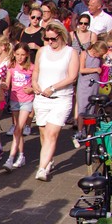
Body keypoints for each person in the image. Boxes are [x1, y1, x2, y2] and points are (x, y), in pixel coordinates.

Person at [31, 21, 79, 181]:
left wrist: (53, 87)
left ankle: (42, 168)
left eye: (53, 39)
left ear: (61, 36)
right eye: (47, 39)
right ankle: (48, 159)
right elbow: (36, 70)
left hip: (61, 98)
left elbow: (72, 77)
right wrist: (34, 83)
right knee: (44, 134)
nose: (50, 42)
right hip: (41, 99)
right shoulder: (42, 51)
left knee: (52, 134)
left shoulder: (71, 53)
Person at [2, 44, 35, 172]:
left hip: (27, 101)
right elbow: (7, 84)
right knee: (18, 130)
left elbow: (37, 83)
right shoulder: (11, 67)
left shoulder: (32, 68)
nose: (20, 57)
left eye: (22, 55)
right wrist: (0, 84)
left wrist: (32, 89)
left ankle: (10, 159)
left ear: (27, 55)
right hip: (15, 100)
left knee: (18, 128)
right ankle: (21, 156)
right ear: (14, 54)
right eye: (17, 54)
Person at [76, 41, 107, 133]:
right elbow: (81, 70)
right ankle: (80, 130)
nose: (100, 56)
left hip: (94, 84)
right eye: (100, 54)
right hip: (84, 84)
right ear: (95, 51)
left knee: (92, 108)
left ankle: (89, 131)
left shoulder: (99, 58)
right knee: (82, 108)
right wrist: (95, 69)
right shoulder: (84, 54)